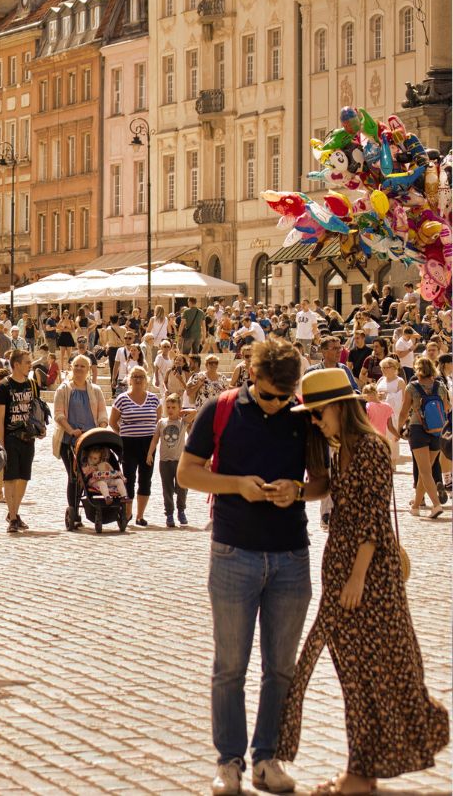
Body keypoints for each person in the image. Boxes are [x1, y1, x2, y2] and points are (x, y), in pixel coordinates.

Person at [276, 369, 449, 795]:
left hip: (368, 578)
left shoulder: (370, 447)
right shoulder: (344, 450)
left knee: (370, 673)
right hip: (345, 570)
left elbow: (372, 518)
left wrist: (355, 578)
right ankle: (361, 766)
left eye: (318, 414)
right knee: (355, 674)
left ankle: (364, 769)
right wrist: (297, 492)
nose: (315, 422)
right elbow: (333, 492)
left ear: (338, 407)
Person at [177, 338, 330, 796]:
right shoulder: (221, 409)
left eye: (285, 397)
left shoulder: (303, 416)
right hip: (233, 553)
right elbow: (187, 473)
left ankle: (267, 759)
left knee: (281, 668)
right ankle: (229, 763)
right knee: (230, 667)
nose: (278, 403)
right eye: (269, 395)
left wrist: (298, 491)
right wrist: (236, 485)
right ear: (252, 375)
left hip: (290, 555)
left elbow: (322, 481)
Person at [54, 355, 108, 530]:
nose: (78, 369)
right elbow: (59, 414)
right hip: (70, 440)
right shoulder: (64, 389)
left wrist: (102, 426)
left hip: (90, 440)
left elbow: (101, 413)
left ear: (88, 369)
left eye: (82, 366)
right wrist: (71, 430)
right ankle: (74, 511)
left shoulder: (95, 390)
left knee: (88, 476)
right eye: (76, 365)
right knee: (74, 476)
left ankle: (92, 506)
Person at [0, 348, 42, 534]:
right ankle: (13, 517)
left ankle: (14, 512)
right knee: (11, 478)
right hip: (11, 437)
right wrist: (0, 444)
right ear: (16, 365)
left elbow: (36, 410)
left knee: (23, 478)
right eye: (27, 362)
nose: (30, 365)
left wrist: (40, 428)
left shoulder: (31, 384)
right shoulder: (4, 387)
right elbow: (0, 417)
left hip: (28, 437)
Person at [397, 355, 449, 518]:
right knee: (425, 468)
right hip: (437, 430)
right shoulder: (440, 386)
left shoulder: (412, 387)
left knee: (424, 471)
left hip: (418, 429)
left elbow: (405, 411)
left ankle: (436, 505)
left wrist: (399, 428)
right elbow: (446, 408)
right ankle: (416, 506)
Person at [110, 366, 161, 526]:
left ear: (146, 380)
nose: (138, 380)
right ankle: (128, 513)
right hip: (128, 443)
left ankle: (140, 515)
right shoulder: (122, 399)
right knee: (129, 478)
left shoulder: (154, 399)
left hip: (148, 444)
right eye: (135, 377)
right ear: (130, 379)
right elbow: (113, 422)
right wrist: (123, 434)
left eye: (141, 377)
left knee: (146, 479)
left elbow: (158, 423)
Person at [149, 392, 189, 526]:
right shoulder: (162, 422)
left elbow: (195, 412)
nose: (170, 410)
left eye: (174, 407)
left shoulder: (183, 422)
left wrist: (183, 411)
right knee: (167, 488)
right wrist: (150, 453)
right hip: (165, 462)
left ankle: (181, 510)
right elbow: (155, 440)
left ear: (179, 408)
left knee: (182, 487)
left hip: (180, 461)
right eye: (169, 407)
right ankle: (169, 514)